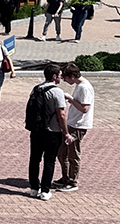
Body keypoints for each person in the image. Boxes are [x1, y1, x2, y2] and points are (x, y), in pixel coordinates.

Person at [27, 64, 72, 201]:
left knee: (34, 159)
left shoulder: (36, 89)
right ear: (54, 76)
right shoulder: (57, 92)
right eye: (59, 75)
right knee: (49, 160)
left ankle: (34, 188)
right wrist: (66, 132)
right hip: (52, 131)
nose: (60, 78)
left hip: (36, 130)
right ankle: (45, 190)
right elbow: (61, 114)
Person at [54, 63, 93, 192]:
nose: (64, 80)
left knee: (73, 154)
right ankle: (65, 178)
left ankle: (72, 181)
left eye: (65, 78)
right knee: (62, 152)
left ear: (72, 76)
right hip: (72, 123)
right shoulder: (79, 85)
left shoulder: (84, 87)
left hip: (78, 125)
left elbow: (85, 108)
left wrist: (70, 99)